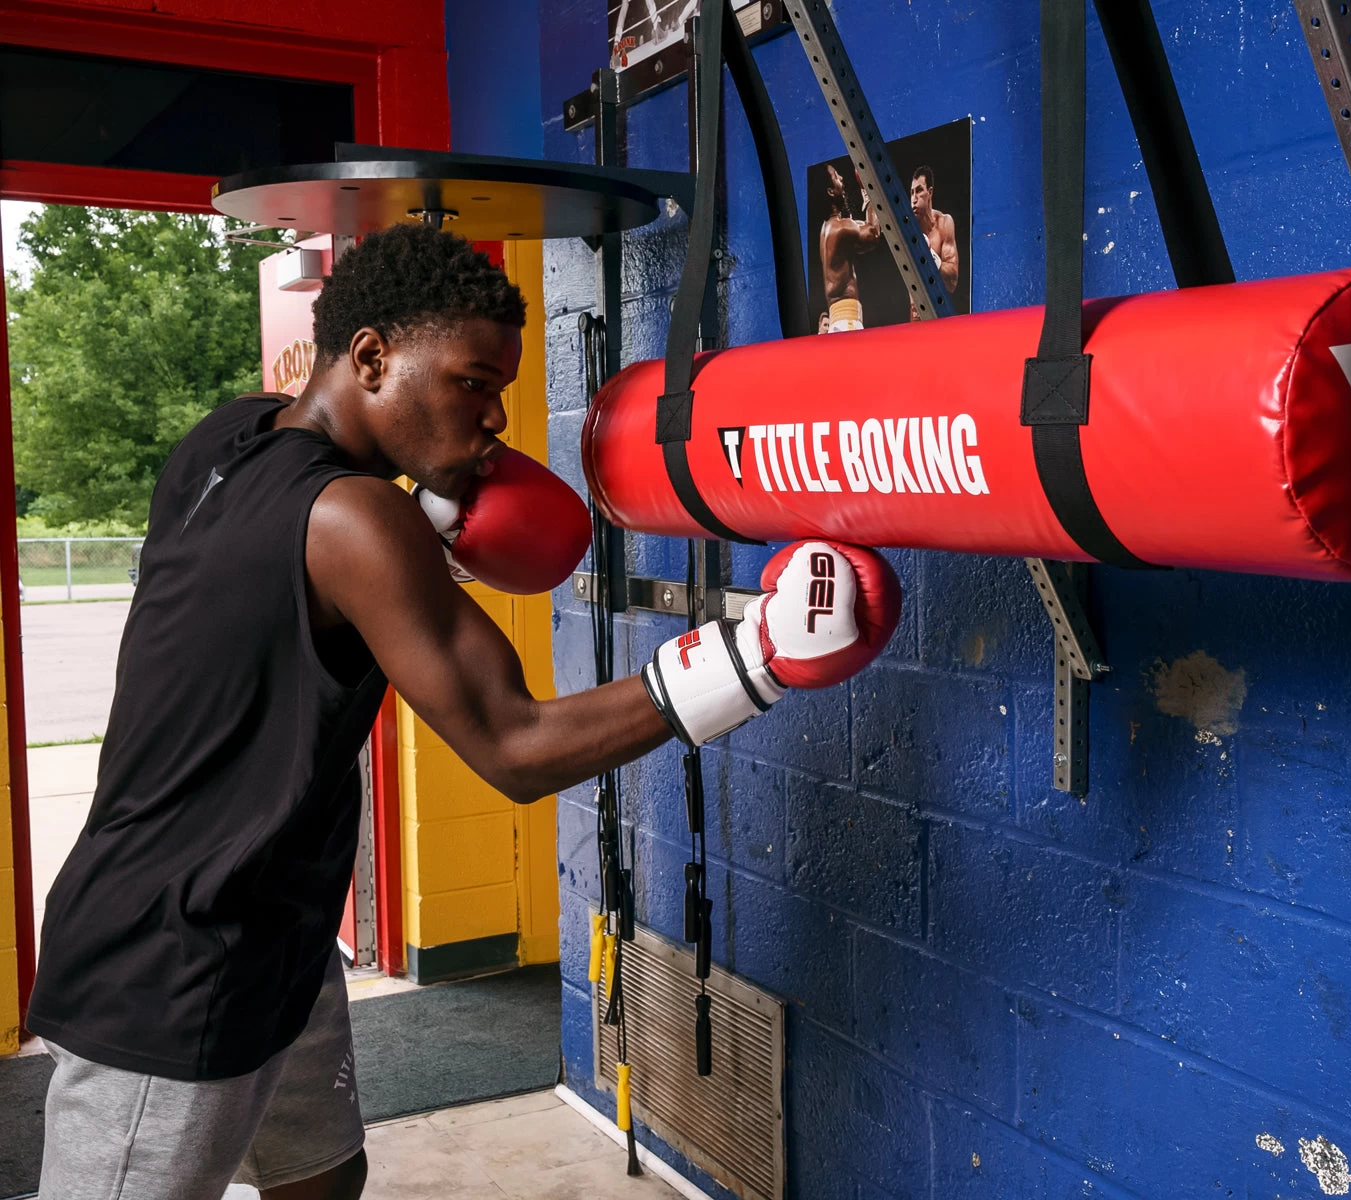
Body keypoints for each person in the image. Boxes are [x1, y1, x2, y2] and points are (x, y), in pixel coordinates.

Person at [25, 222, 897, 1199]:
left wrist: (423, 498)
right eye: (472, 384)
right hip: (175, 957)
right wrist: (755, 656)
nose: (493, 422)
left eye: (500, 392)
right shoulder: (358, 520)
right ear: (371, 357)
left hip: (274, 920)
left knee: (320, 1174)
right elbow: (513, 747)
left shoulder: (229, 436)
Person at [819, 163, 882, 332]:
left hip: (840, 322)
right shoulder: (840, 228)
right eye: (836, 176)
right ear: (831, 191)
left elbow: (861, 244)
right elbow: (874, 233)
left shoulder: (827, 229)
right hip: (847, 323)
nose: (841, 178)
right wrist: (868, 189)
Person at [908, 164, 960, 320]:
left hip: (938, 315)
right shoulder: (908, 227)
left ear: (929, 192)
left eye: (919, 191)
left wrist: (931, 257)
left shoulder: (944, 223)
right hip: (914, 318)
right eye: (911, 193)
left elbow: (953, 281)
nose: (914, 199)